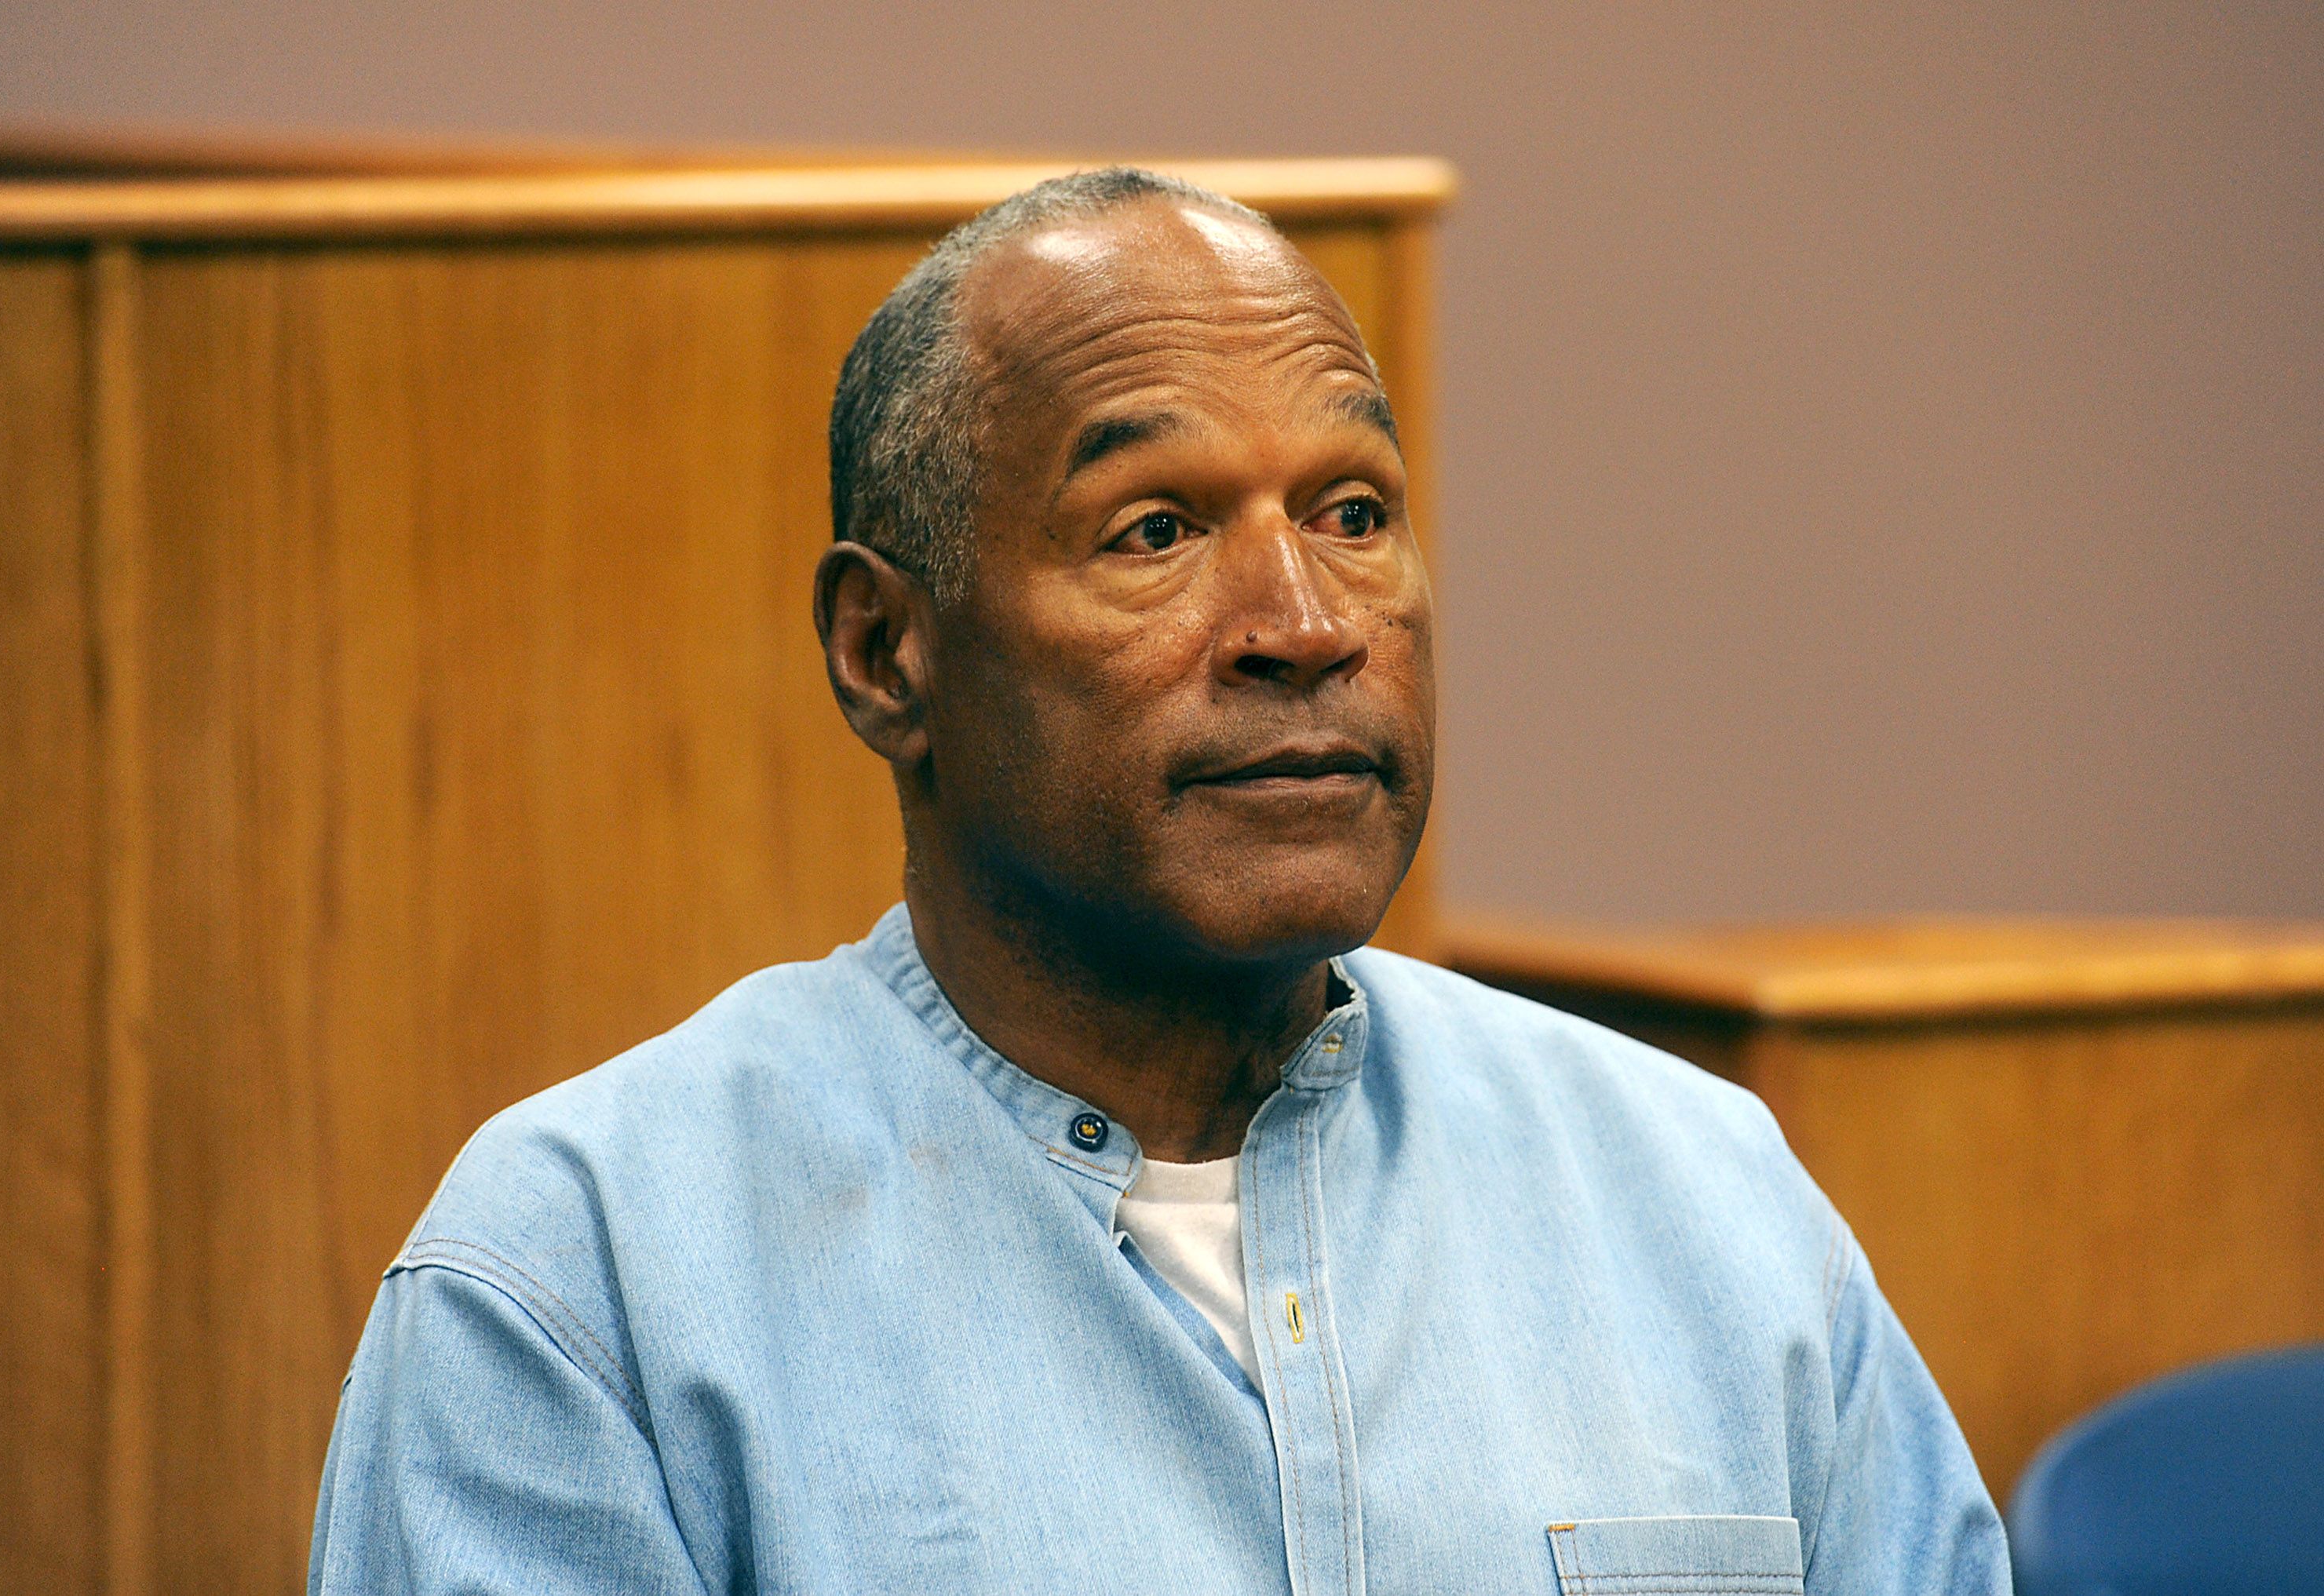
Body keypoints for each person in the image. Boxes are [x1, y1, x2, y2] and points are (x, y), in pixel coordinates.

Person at [309, 167, 2009, 1594]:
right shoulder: (584, 1283)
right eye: (1157, 531)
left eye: (1353, 512)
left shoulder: (1703, 1201)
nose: (1307, 624)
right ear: (886, 651)